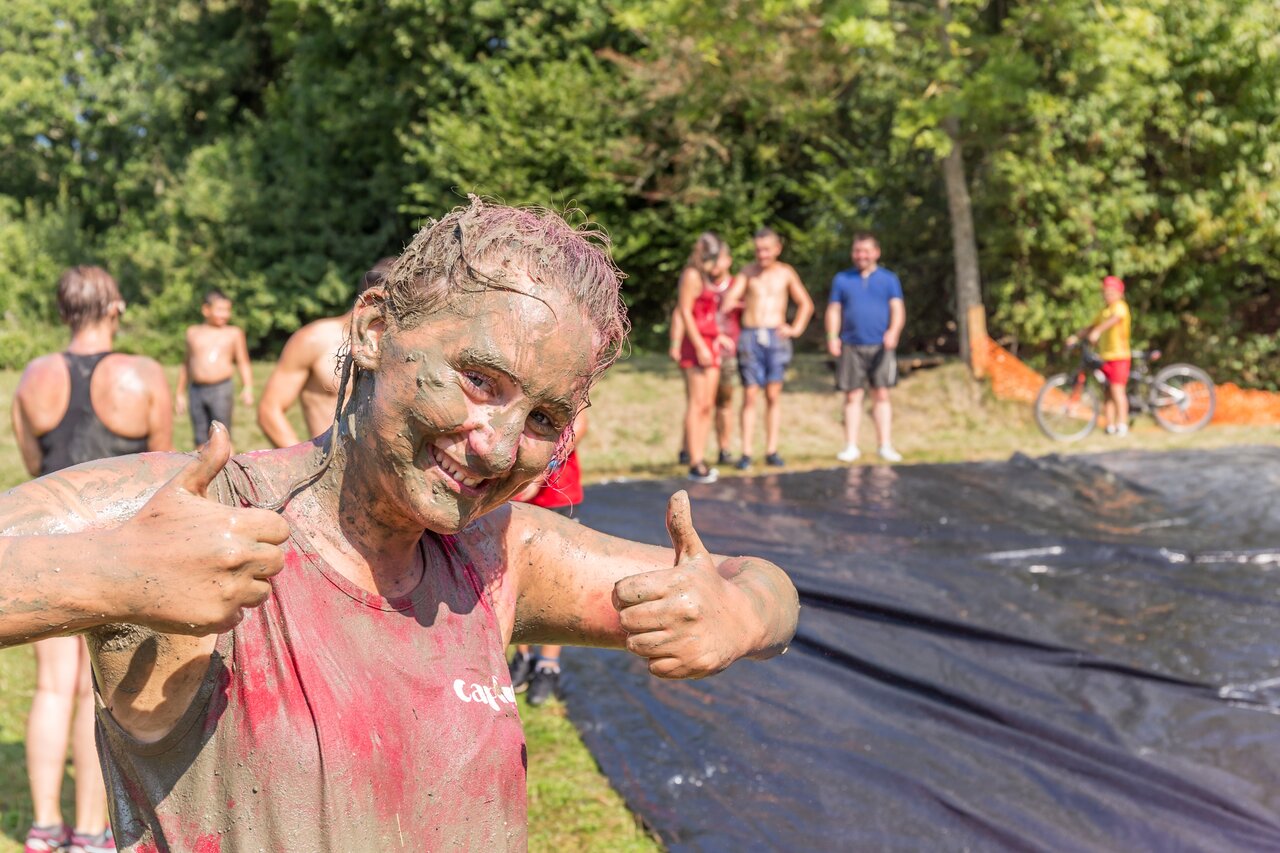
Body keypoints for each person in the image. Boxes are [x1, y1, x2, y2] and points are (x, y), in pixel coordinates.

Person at [0, 200, 799, 851]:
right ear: (376, 329)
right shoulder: (203, 512)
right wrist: (104, 573)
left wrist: (741, 611)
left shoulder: (498, 556)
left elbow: (759, 583)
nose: (495, 443)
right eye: (479, 379)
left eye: (543, 417)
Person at [10, 266, 174, 853]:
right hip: (118, 546)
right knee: (95, 692)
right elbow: (163, 466)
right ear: (115, 308)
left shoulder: (32, 377)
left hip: (47, 540)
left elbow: (32, 461)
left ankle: (43, 826)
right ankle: (87, 831)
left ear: (63, 310)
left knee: (53, 689)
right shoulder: (144, 374)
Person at [258, 258, 396, 447]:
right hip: (330, 468)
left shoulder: (399, 348)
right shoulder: (315, 339)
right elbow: (269, 411)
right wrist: (304, 467)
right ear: (374, 299)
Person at [508, 411, 589, 706]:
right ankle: (524, 656)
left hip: (557, 496)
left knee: (557, 585)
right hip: (516, 495)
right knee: (516, 580)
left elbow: (580, 424)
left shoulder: (575, 371)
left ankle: (547, 665)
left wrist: (541, 471)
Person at [723, 227, 813, 470]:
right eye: (758, 250)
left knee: (773, 395)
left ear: (777, 249)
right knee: (750, 394)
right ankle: (746, 452)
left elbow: (805, 303)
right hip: (751, 336)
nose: (761, 254)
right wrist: (735, 302)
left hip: (776, 336)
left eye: (766, 250)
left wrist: (795, 328)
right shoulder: (747, 272)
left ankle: (771, 450)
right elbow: (730, 299)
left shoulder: (785, 273)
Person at [824, 232, 906, 463]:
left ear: (876, 252)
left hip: (881, 345)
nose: (862, 255)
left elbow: (897, 309)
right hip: (851, 344)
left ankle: (885, 445)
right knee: (853, 395)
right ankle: (851, 446)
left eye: (866, 251)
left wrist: (894, 332)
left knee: (881, 394)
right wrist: (832, 336)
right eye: (858, 251)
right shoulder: (842, 279)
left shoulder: (889, 279)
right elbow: (834, 310)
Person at [669, 247, 739, 470]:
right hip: (697, 345)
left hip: (711, 343)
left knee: (708, 405)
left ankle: (700, 455)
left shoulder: (708, 278)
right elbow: (684, 312)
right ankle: (694, 459)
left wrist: (717, 336)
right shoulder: (691, 275)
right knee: (696, 403)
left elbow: (706, 315)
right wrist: (681, 343)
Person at [175, 289, 253, 447]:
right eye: (220, 310)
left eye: (227, 310)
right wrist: (179, 393)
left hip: (221, 390)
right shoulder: (193, 333)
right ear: (206, 310)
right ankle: (204, 468)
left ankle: (229, 469)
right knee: (200, 437)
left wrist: (248, 387)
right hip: (196, 390)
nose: (224, 314)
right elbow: (186, 364)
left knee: (223, 435)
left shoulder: (233, 333)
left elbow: (243, 361)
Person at [1066, 275, 1131, 436]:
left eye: (1111, 291)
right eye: (1105, 291)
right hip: (1105, 355)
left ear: (1119, 293)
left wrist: (1098, 331)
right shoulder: (1104, 311)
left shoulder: (1120, 307)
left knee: (1117, 391)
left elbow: (1115, 320)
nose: (1107, 294)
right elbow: (1091, 327)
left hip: (1119, 355)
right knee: (1107, 392)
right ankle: (1109, 426)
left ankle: (1122, 424)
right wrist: (1076, 336)